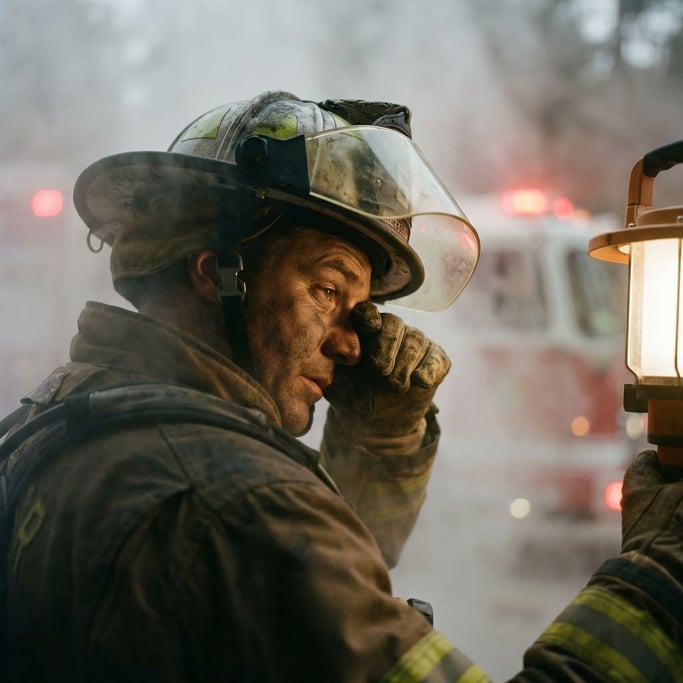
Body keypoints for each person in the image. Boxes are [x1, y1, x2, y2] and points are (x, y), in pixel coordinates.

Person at [1, 91, 682, 682]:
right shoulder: (238, 504)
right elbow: (272, 557)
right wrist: (662, 576)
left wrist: (378, 440)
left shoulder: (58, 420)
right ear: (216, 273)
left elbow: (300, 612)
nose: (353, 339)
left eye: (360, 307)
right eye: (327, 288)